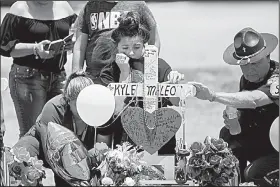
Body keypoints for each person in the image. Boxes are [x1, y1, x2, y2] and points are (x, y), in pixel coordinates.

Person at [190, 27, 279, 185]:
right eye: (244, 64)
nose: (250, 69)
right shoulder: (247, 79)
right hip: (264, 142)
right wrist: (234, 121)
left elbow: (255, 99)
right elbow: (243, 122)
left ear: (268, 56)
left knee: (254, 174)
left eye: (256, 63)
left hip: (277, 150)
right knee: (227, 136)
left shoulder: (276, 78)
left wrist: (213, 96)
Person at [94, 11, 184, 155]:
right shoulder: (109, 72)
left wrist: (173, 82)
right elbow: (116, 110)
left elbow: (177, 101)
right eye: (125, 48)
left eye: (136, 47)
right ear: (116, 47)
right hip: (126, 146)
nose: (130, 52)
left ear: (144, 45)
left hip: (162, 142)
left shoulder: (159, 65)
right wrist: (124, 73)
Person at [12, 70, 123, 186]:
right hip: (47, 149)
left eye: (86, 103)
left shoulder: (101, 109)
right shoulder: (53, 108)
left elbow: (101, 150)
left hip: (82, 155)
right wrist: (73, 181)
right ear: (68, 100)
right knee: (23, 153)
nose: (82, 109)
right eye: (78, 104)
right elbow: (53, 155)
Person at [0, 1, 77, 138]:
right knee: (32, 133)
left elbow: (77, 33)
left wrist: (71, 44)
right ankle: (28, 160)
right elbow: (7, 47)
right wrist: (35, 49)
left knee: (60, 132)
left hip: (59, 76)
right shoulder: (19, 8)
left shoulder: (64, 6)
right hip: (27, 78)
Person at [72, 1, 161, 80]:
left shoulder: (138, 4)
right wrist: (75, 77)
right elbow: (79, 47)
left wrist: (147, 71)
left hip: (130, 74)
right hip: (95, 75)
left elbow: (154, 41)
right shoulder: (90, 6)